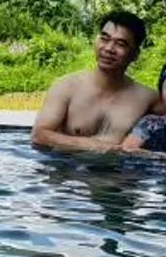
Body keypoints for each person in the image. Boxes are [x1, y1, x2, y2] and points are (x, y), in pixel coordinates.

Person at [31, 11, 158, 154]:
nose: (109, 48)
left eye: (120, 43)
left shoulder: (147, 98)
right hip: (68, 171)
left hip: (116, 174)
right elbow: (39, 135)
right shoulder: (67, 87)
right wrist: (89, 144)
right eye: (104, 39)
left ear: (135, 54)